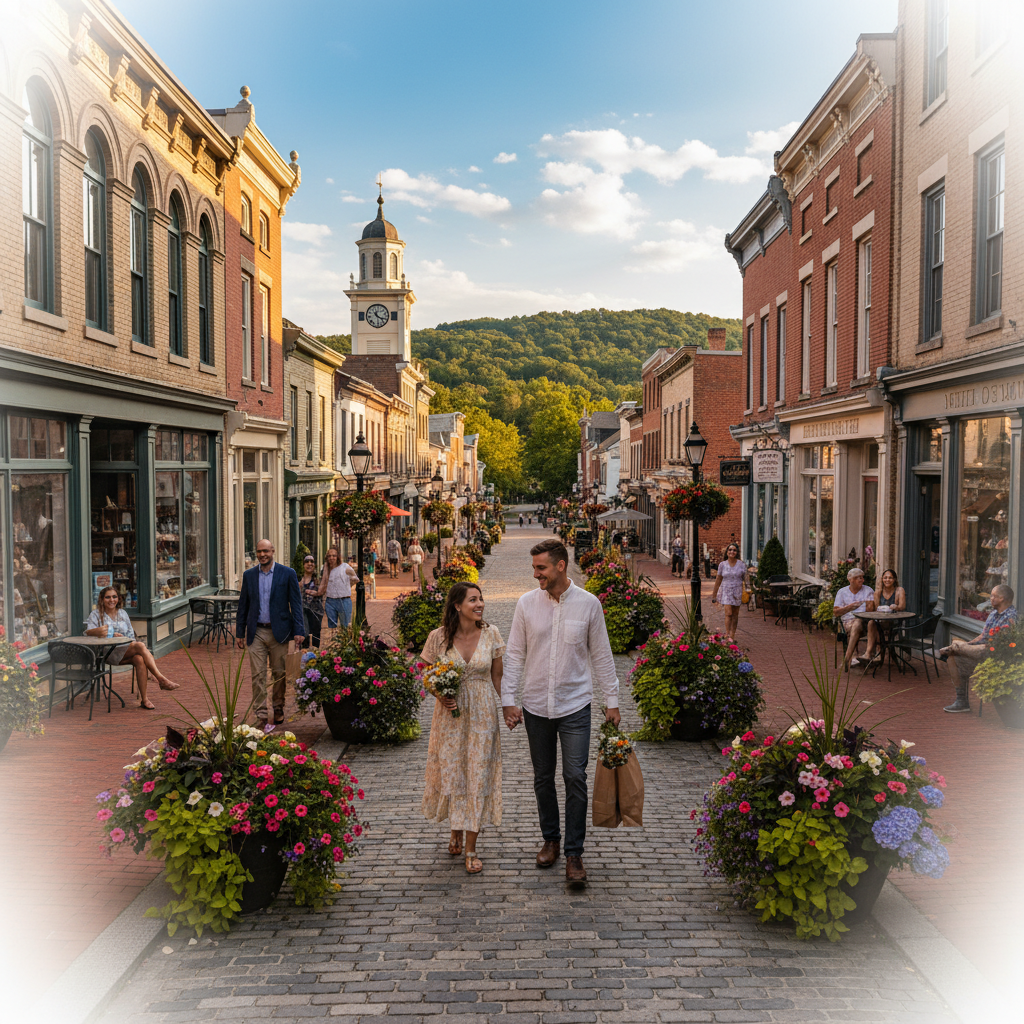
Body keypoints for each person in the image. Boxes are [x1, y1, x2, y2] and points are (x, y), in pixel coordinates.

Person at [502, 538, 619, 887]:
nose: (535, 574)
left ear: (561, 565)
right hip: (536, 705)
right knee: (542, 777)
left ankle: (574, 853)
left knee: (575, 776)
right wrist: (508, 700)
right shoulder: (526, 604)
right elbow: (514, 655)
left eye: (541, 568)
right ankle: (550, 840)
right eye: (534, 567)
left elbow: (601, 655)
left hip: (575, 705)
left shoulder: (589, 604)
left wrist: (612, 700)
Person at [421, 582, 504, 874]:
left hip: (483, 714)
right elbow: (426, 673)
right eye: (472, 600)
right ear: (457, 606)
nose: (479, 604)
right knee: (454, 772)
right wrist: (439, 694)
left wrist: (509, 707)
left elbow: (498, 677)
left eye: (481, 599)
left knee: (477, 776)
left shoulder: (492, 634)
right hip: (449, 717)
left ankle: (471, 848)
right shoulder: (438, 637)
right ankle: (455, 829)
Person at [235, 539, 304, 725]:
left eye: (266, 551)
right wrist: (240, 632)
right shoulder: (249, 575)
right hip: (256, 631)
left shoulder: (287, 573)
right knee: (257, 675)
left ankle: (278, 706)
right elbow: (243, 605)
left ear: (273, 551)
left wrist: (299, 630)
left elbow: (296, 604)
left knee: (279, 673)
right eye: (259, 551)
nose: (262, 555)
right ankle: (261, 712)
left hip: (279, 632)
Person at [85, 587, 179, 709]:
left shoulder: (123, 613)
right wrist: (110, 634)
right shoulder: (96, 615)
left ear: (118, 598)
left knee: (139, 659)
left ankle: (144, 699)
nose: (111, 600)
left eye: (114, 597)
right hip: (107, 652)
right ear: (102, 599)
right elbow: (89, 633)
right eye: (108, 597)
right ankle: (160, 679)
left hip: (125, 650)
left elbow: (130, 635)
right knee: (140, 645)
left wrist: (130, 644)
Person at [939, 583, 1016, 712]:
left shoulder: (1010, 617)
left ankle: (956, 647)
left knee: (960, 646)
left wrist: (964, 647)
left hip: (994, 655)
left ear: (1002, 598)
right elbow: (982, 636)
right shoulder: (993, 613)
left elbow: (998, 645)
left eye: (993, 596)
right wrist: (968, 645)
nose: (990, 598)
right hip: (981, 651)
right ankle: (962, 701)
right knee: (953, 657)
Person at [833, 567, 875, 670]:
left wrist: (868, 605)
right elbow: (836, 612)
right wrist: (850, 607)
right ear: (850, 580)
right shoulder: (842, 592)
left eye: (862, 577)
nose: (862, 580)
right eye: (858, 578)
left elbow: (871, 610)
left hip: (865, 622)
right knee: (856, 624)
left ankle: (848, 657)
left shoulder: (868, 590)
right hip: (847, 622)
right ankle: (854, 656)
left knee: (858, 622)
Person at [864, 568, 906, 664]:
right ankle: (868, 653)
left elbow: (902, 606)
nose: (887, 580)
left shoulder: (899, 590)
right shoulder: (878, 592)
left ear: (894, 579)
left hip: (895, 622)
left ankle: (879, 653)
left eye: (890, 578)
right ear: (882, 579)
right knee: (871, 623)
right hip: (881, 621)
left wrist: (896, 607)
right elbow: (876, 609)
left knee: (875, 626)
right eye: (885, 578)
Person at [710, 542, 749, 640]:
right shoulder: (722, 565)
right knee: (728, 613)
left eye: (734, 550)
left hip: (737, 591)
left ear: (737, 552)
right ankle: (727, 634)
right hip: (726, 591)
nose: (732, 552)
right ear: (727, 552)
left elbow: (746, 578)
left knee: (735, 614)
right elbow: (718, 579)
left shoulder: (742, 565)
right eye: (730, 550)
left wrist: (748, 588)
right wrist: (714, 594)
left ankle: (732, 634)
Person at [318, 547, 358, 630]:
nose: (331, 558)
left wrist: (347, 586)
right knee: (332, 627)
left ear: (338, 557)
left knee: (345, 626)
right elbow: (323, 582)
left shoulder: (345, 567)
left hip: (343, 600)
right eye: (329, 556)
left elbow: (356, 579)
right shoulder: (325, 568)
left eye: (334, 556)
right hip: (330, 600)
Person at [298, 554, 324, 650]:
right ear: (303, 565)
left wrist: (316, 593)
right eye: (307, 562)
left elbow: (322, 592)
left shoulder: (319, 580)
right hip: (303, 611)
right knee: (304, 635)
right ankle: (304, 656)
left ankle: (315, 656)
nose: (309, 564)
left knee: (316, 636)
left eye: (312, 562)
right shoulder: (298, 580)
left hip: (316, 611)